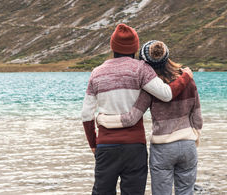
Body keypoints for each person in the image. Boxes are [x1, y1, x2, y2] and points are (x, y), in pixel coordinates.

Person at [81, 24, 194, 195]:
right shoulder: (141, 69)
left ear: (113, 47)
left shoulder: (96, 73)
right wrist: (186, 76)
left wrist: (93, 145)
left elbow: (86, 115)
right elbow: (166, 94)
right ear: (135, 48)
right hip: (134, 147)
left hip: (106, 145)